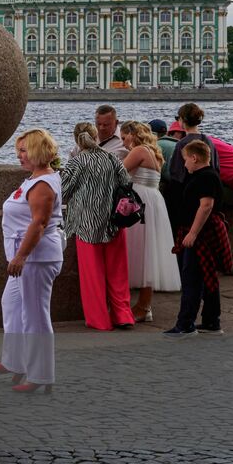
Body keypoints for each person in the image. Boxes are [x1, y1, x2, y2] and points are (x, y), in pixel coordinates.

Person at [0, 129, 64, 394]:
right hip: (27, 256)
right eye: (18, 151)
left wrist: (21, 256)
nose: (19, 156)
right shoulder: (35, 179)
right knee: (11, 304)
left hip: (36, 257)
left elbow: (39, 223)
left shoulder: (43, 184)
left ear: (37, 151)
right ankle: (17, 361)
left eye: (23, 150)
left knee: (35, 316)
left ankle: (41, 374)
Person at [61, 122, 133, 330]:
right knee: (118, 273)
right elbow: (126, 183)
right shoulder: (112, 158)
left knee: (92, 275)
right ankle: (123, 315)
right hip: (114, 221)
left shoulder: (78, 162)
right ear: (96, 137)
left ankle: (99, 319)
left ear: (77, 139)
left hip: (87, 223)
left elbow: (62, 192)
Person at [164, 140, 231, 338]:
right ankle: (211, 322)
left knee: (191, 278)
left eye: (185, 160)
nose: (184, 164)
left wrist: (192, 233)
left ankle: (185, 324)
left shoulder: (206, 178)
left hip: (200, 233)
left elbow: (206, 206)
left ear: (194, 158)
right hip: (200, 231)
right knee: (206, 277)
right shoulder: (207, 175)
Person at [119, 120, 180, 322]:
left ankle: (142, 307)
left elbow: (117, 174)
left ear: (132, 134)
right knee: (148, 254)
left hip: (140, 202)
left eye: (123, 137)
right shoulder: (153, 151)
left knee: (139, 251)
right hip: (152, 200)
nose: (123, 142)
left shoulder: (138, 151)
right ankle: (144, 305)